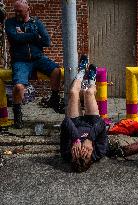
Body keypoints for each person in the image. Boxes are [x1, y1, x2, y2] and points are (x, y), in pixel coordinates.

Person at [5, 0, 62, 128]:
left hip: (38, 58)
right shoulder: (10, 23)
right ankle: (17, 114)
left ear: (27, 9)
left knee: (56, 71)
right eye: (15, 10)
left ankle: (54, 98)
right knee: (19, 87)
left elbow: (47, 41)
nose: (17, 13)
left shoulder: (37, 23)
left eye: (19, 10)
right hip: (20, 61)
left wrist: (25, 35)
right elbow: (15, 38)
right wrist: (35, 36)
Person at [60, 59, 108, 173]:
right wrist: (90, 139)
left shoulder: (66, 153)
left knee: (73, 92)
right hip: (93, 123)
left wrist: (76, 139)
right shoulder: (100, 152)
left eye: (77, 153)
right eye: (86, 154)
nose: (82, 149)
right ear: (91, 158)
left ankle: (81, 71)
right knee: (88, 93)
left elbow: (66, 122)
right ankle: (92, 79)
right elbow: (101, 123)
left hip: (74, 124)